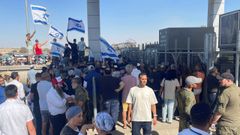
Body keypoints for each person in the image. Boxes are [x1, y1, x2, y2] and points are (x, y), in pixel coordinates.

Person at [115, 64, 137, 128]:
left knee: (124, 110)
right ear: (132, 70)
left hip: (125, 96)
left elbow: (120, 86)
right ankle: (131, 122)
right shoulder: (134, 79)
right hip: (132, 97)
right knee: (132, 110)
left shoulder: (122, 78)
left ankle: (124, 123)